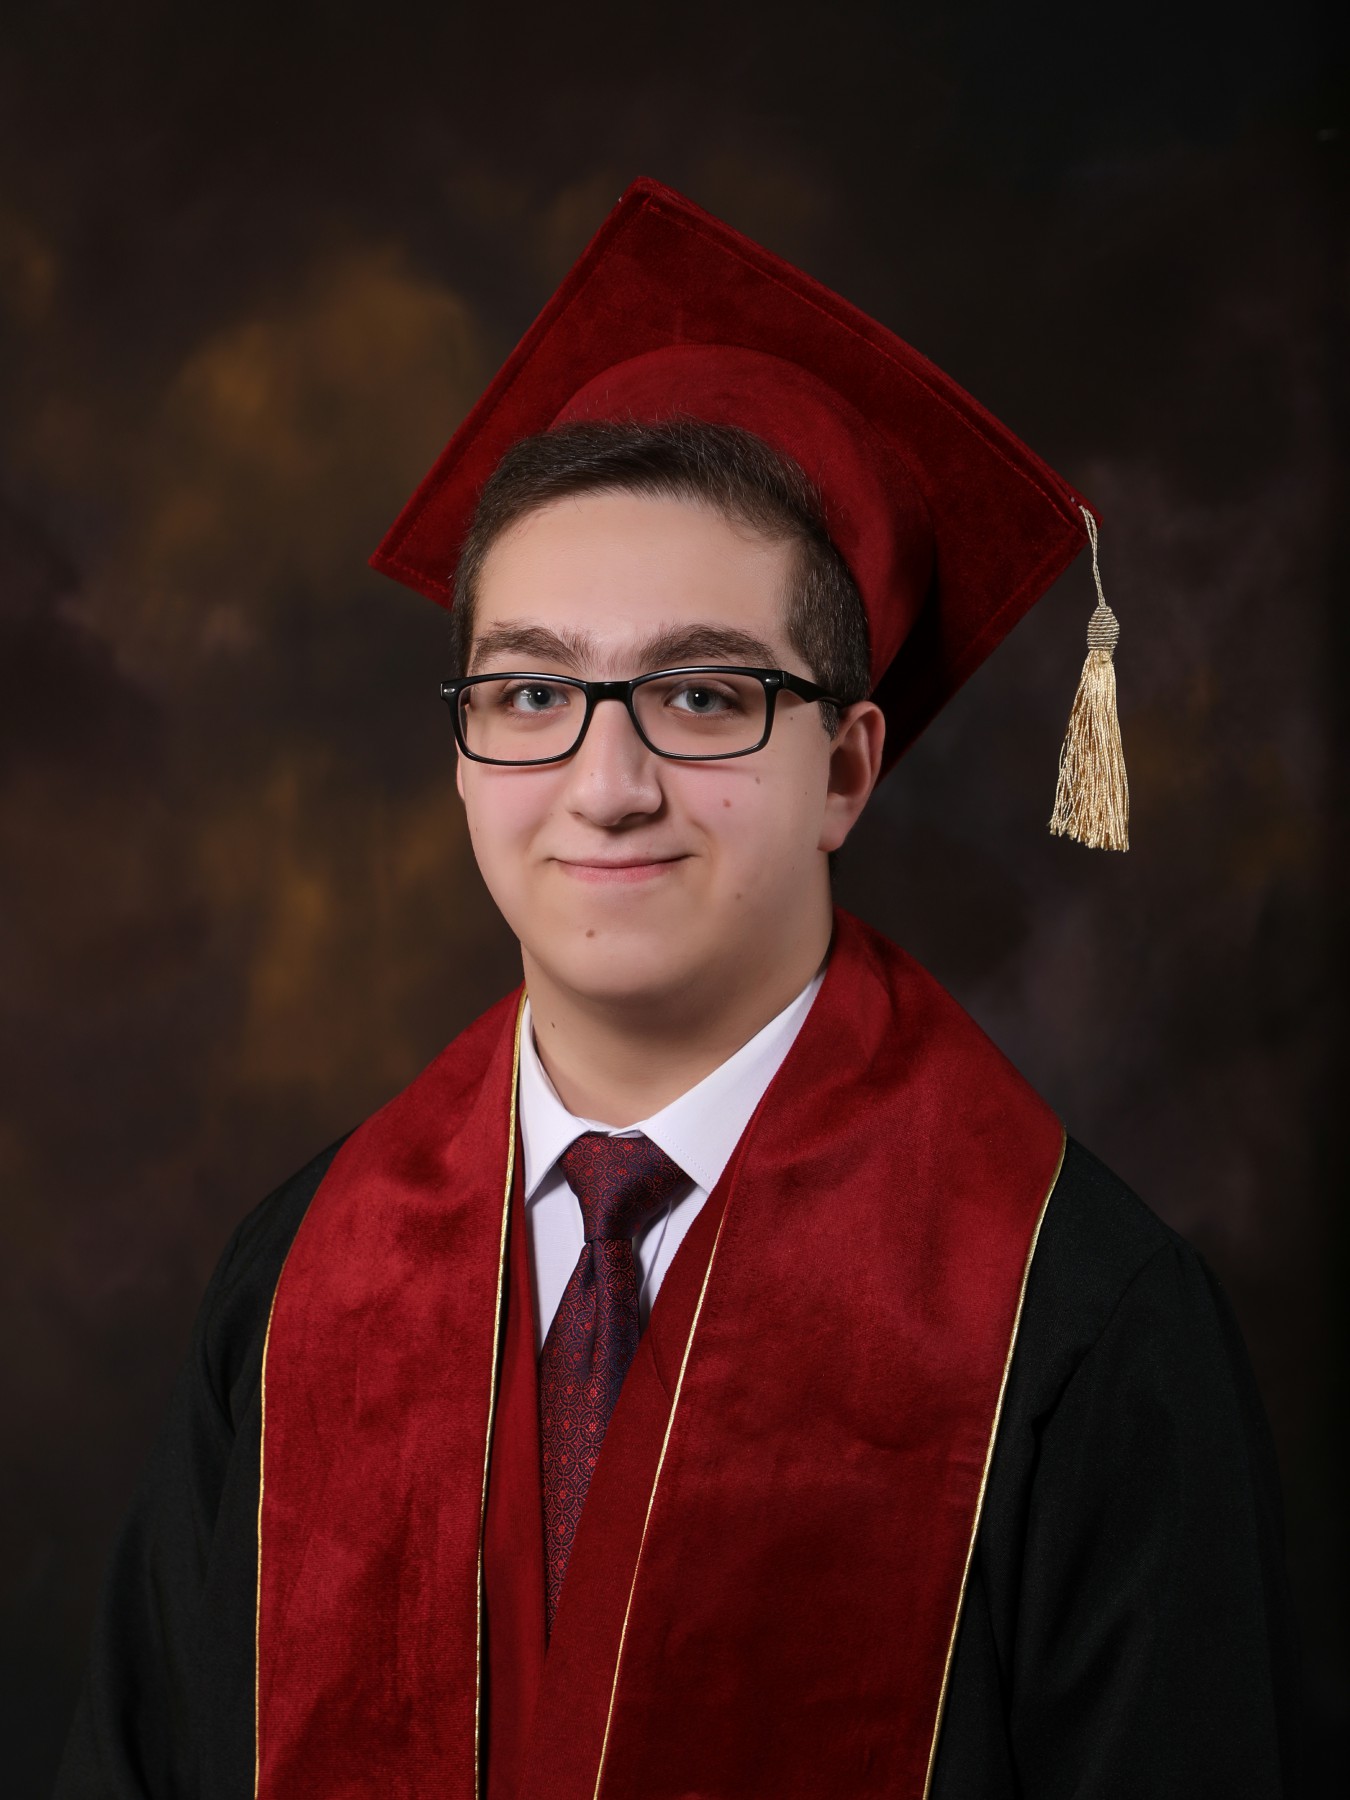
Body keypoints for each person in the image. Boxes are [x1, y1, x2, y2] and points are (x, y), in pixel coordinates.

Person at [56, 178, 1298, 1800]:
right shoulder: (296, 1286)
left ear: (844, 768)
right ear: (461, 750)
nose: (606, 784)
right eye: (529, 693)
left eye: (702, 695)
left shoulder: (1076, 1327)